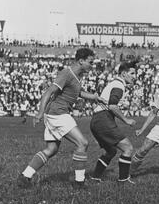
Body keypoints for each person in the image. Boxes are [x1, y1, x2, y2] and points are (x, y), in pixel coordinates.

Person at [17, 48, 106, 188]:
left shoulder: (77, 76)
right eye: (90, 62)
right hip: (58, 113)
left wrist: (94, 97)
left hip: (55, 113)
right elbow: (48, 92)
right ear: (81, 61)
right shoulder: (67, 73)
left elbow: (79, 92)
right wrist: (39, 113)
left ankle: (25, 176)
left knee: (51, 149)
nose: (92, 65)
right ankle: (79, 182)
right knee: (82, 143)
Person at [89, 62, 137, 184]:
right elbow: (113, 106)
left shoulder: (113, 83)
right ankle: (123, 180)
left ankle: (95, 178)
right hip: (103, 119)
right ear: (124, 73)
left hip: (96, 120)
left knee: (111, 151)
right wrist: (126, 120)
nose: (134, 76)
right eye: (132, 73)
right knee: (128, 148)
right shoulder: (119, 85)